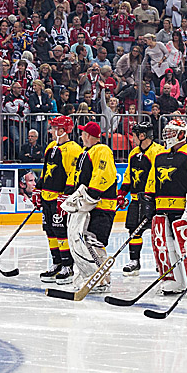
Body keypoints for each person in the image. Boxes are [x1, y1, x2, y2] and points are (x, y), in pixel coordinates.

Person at [144, 117, 187, 294]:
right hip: (162, 208)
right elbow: (153, 179)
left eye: (172, 131)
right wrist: (148, 199)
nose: (167, 135)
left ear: (182, 134)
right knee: (164, 245)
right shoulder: (159, 155)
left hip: (184, 209)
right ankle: (172, 279)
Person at [59, 122, 119, 290]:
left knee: (94, 242)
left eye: (83, 133)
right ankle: (90, 275)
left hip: (101, 205)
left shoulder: (102, 150)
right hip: (88, 206)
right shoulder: (86, 152)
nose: (81, 136)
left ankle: (101, 279)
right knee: (81, 241)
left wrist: (91, 194)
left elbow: (104, 174)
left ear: (88, 135)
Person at [35, 116, 82, 283]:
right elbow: (45, 171)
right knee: (50, 231)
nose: (51, 130)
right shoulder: (51, 147)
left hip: (59, 198)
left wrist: (66, 196)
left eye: (54, 128)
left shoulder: (74, 149)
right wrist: (38, 188)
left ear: (62, 130)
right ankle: (56, 263)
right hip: (47, 196)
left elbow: (73, 174)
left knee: (61, 232)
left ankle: (67, 266)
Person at [119, 120, 165, 276]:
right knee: (133, 231)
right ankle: (135, 261)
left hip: (152, 200)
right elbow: (128, 174)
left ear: (143, 135)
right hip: (135, 199)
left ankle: (161, 262)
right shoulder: (133, 153)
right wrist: (122, 192)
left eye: (135, 135)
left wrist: (151, 197)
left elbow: (159, 176)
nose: (133, 138)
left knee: (157, 232)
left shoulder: (158, 151)